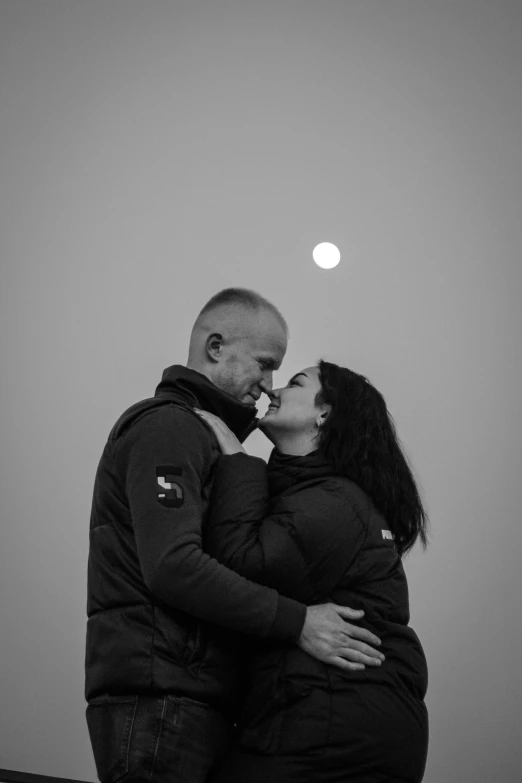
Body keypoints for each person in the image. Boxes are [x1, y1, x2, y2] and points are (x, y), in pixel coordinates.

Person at [85, 289, 384, 783]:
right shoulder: (169, 428)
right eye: (266, 365)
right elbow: (173, 565)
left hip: (187, 698)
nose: (268, 386)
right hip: (159, 700)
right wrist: (298, 623)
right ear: (217, 346)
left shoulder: (205, 436)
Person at [195, 360, 430, 783]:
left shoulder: (336, 500)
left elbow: (241, 564)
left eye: (294, 382)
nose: (273, 390)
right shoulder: (317, 492)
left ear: (324, 413)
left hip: (336, 732)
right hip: (327, 720)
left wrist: (235, 457)